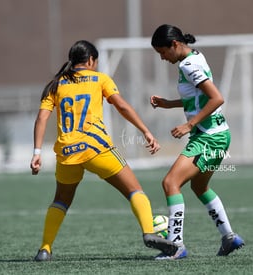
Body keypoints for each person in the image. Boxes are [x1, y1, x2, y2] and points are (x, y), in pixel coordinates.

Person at [30, 40, 178, 261]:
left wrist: (37, 152)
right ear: (91, 60)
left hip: (67, 152)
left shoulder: (56, 84)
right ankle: (149, 232)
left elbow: (42, 117)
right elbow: (122, 106)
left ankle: (45, 248)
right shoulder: (100, 79)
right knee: (135, 190)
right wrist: (145, 131)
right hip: (97, 149)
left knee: (61, 200)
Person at [149, 24, 245, 260]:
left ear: (174, 44)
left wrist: (188, 125)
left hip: (209, 137)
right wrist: (168, 104)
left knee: (170, 182)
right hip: (216, 135)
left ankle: (176, 246)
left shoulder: (189, 65)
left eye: (162, 52)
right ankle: (229, 237)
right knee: (199, 187)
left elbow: (216, 98)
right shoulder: (193, 58)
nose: (162, 58)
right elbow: (198, 98)